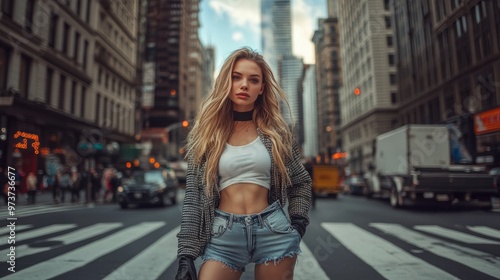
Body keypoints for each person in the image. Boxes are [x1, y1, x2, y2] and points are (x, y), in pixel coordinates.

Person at [175, 47, 312, 280]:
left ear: (261, 89)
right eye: (236, 77)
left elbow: (301, 183)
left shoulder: (277, 134)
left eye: (253, 80)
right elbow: (193, 198)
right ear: (226, 82)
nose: (244, 85)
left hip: (273, 229)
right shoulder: (206, 135)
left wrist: (298, 223)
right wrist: (185, 256)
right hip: (224, 234)